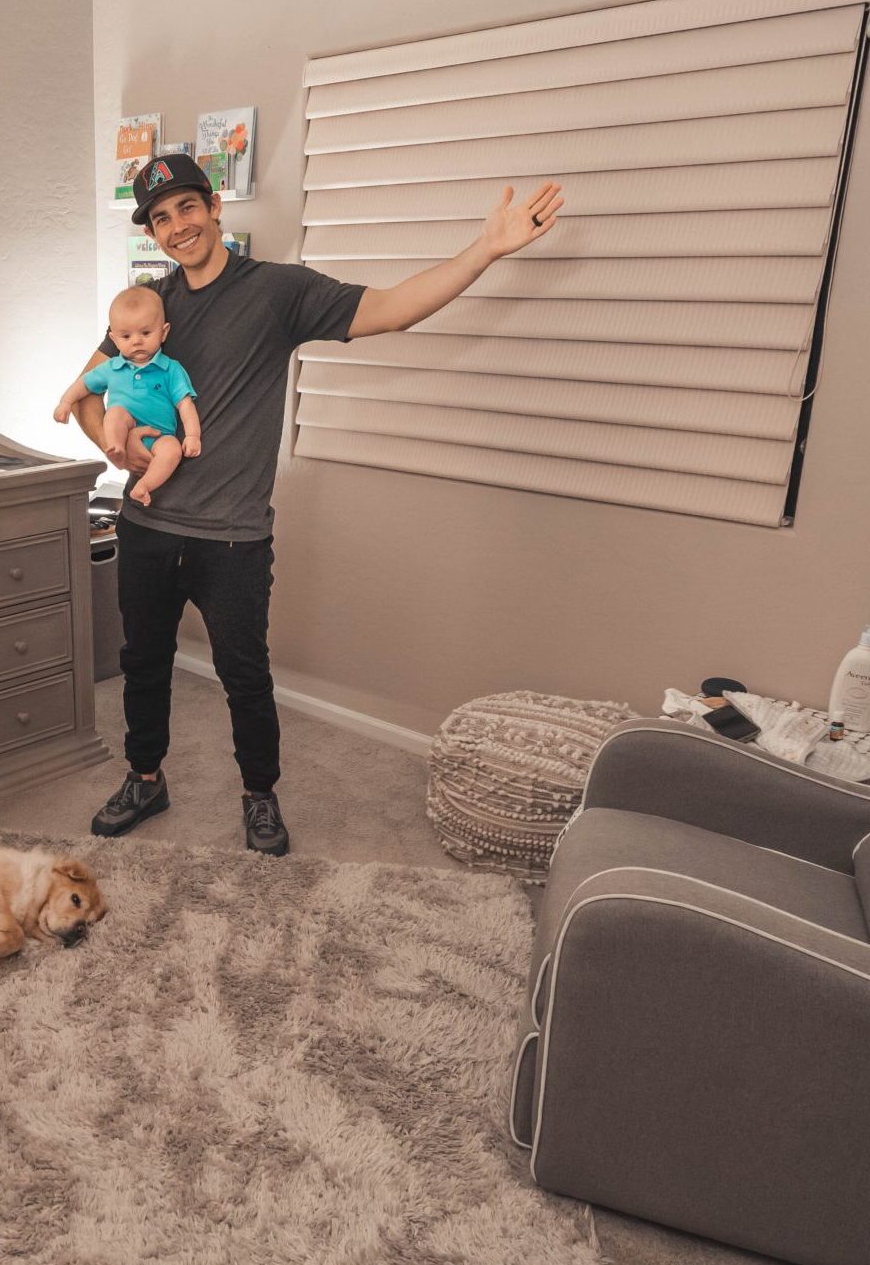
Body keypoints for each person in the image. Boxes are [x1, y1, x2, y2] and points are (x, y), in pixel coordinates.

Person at [74, 150, 564, 855]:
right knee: (143, 662)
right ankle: (145, 778)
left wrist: (486, 248)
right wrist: (119, 450)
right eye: (160, 218)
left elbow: (392, 310)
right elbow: (86, 391)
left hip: (233, 536)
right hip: (148, 525)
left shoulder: (278, 291)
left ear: (215, 208)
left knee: (245, 674)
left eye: (186, 207)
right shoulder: (150, 309)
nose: (177, 225)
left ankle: (259, 794)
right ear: (153, 234)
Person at [53, 286, 201, 507]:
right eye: (126, 336)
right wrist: (65, 402)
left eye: (146, 333)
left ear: (164, 332)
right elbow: (83, 384)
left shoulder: (171, 369)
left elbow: (186, 405)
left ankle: (144, 486)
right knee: (115, 413)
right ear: (114, 338)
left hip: (162, 435)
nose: (136, 341)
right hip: (126, 428)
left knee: (172, 449)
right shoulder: (112, 368)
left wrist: (192, 436)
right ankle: (116, 448)